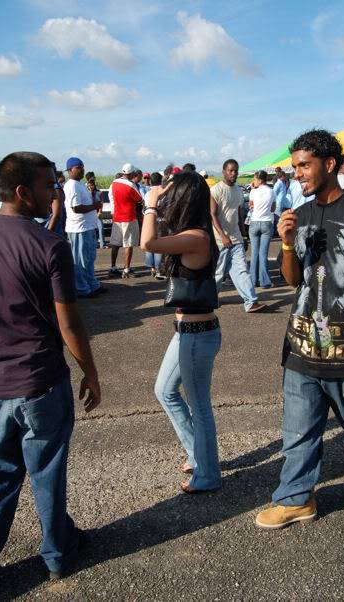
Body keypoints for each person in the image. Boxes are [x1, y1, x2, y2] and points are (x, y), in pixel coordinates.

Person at [255, 129, 344, 530]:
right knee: (297, 427)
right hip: (302, 340)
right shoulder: (302, 214)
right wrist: (289, 243)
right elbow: (294, 280)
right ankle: (296, 498)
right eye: (294, 166)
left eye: (304, 165)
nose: (297, 173)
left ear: (329, 164)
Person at [0, 152, 101, 579]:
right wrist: (90, 372)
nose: (55, 193)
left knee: (2, 477)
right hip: (40, 379)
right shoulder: (49, 244)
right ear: (23, 192)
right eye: (47, 186)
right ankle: (58, 553)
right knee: (47, 472)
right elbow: (69, 322)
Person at [141, 171, 222, 493]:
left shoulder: (197, 237)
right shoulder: (191, 232)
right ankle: (197, 454)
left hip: (196, 335)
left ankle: (208, 475)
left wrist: (150, 206)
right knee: (164, 391)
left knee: (199, 406)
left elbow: (147, 243)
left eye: (171, 196)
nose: (165, 200)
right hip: (187, 333)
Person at [211, 159, 264, 313]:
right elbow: (212, 215)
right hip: (220, 240)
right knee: (218, 273)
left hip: (236, 239)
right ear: (224, 171)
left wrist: (244, 235)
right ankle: (211, 299)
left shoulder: (239, 191)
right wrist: (223, 236)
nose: (234, 173)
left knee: (242, 271)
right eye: (230, 170)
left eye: (236, 171)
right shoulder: (216, 190)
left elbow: (240, 215)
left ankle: (251, 302)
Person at [64, 157, 104, 298]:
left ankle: (92, 285)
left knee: (89, 258)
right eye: (78, 167)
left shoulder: (79, 184)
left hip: (86, 227)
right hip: (78, 228)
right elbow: (76, 208)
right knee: (80, 260)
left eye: (82, 166)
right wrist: (94, 206)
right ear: (70, 170)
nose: (82, 169)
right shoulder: (72, 185)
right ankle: (82, 289)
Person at [108, 163, 142, 278]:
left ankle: (113, 267)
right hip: (129, 217)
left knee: (115, 243)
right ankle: (126, 269)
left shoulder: (114, 182)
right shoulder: (131, 185)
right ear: (131, 173)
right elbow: (139, 199)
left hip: (117, 216)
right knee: (128, 243)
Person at [248, 170, 275, 289]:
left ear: (259, 180)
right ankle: (264, 281)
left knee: (254, 253)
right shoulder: (271, 191)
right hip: (266, 222)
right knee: (263, 254)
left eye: (254, 179)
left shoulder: (253, 191)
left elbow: (251, 206)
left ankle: (253, 280)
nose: (253, 181)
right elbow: (273, 208)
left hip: (254, 222)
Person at [143, 171, 166, 279]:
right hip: (160, 220)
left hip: (149, 219)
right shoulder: (163, 192)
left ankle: (151, 268)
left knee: (149, 242)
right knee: (159, 244)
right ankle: (158, 268)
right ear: (161, 181)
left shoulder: (147, 193)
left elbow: (145, 208)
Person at [86, 178, 105, 249]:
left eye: (91, 185)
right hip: (89, 213)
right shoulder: (86, 192)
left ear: (94, 185)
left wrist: (100, 212)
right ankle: (92, 244)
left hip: (97, 213)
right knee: (91, 229)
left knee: (100, 228)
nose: (90, 187)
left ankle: (102, 245)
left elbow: (101, 203)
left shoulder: (99, 192)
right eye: (89, 185)